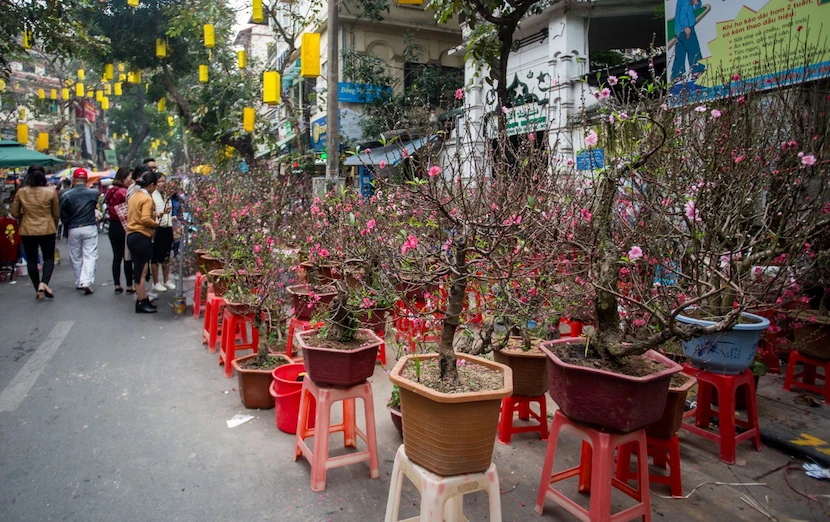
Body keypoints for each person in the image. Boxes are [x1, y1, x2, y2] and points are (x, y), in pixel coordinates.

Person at [10, 164, 59, 299]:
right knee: (48, 258)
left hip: (27, 230)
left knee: (32, 260)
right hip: (47, 229)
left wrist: (24, 215)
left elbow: (14, 212)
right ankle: (44, 283)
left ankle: (38, 288)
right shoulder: (50, 192)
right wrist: (53, 226)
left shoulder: (21, 192)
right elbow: (56, 214)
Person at [59, 168, 99, 294]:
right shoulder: (93, 193)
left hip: (73, 228)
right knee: (90, 255)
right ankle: (85, 280)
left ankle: (79, 281)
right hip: (89, 226)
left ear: (73, 180)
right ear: (86, 180)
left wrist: (67, 223)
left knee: (75, 256)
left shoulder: (66, 195)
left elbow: (63, 214)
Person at [127, 169, 159, 313]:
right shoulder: (146, 198)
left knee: (139, 269)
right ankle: (141, 302)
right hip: (141, 236)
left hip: (132, 236)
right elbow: (145, 219)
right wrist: (156, 223)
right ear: (151, 185)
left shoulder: (134, 195)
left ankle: (143, 299)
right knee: (142, 271)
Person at [105, 167, 134, 294]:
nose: (132, 180)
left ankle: (117, 284)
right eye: (130, 178)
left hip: (113, 226)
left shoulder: (110, 191)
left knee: (117, 257)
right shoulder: (124, 192)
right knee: (127, 256)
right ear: (123, 178)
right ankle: (129, 285)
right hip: (124, 226)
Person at [151, 173, 176, 292]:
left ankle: (166, 280)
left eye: (163, 181)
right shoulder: (152, 196)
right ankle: (156, 282)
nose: (161, 184)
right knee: (155, 256)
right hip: (157, 228)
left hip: (168, 227)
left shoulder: (166, 196)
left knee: (167, 255)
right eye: (159, 181)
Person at [672, 0, 705, 81]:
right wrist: (686, 27)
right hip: (686, 28)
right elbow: (682, 13)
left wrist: (697, 2)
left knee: (680, 52)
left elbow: (696, 5)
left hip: (678, 30)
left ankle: (677, 75)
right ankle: (696, 71)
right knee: (694, 49)